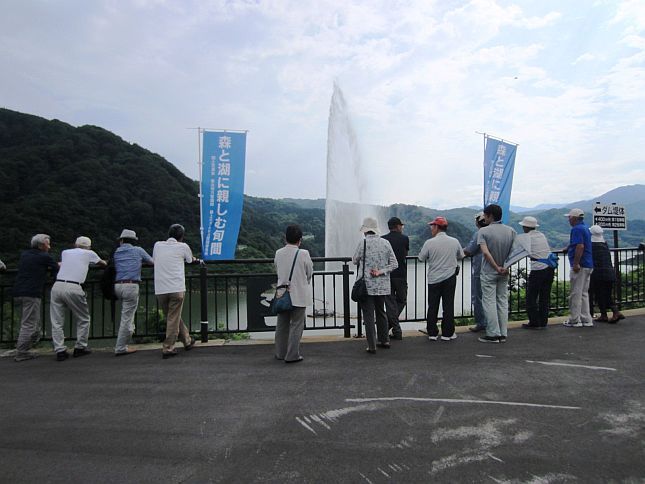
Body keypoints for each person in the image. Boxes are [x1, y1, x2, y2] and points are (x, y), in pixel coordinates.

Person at [50, 236, 107, 361]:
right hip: (74, 287)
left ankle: (60, 350)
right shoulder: (89, 253)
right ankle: (80, 347)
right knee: (83, 318)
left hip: (57, 286)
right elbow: (102, 264)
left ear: (75, 244)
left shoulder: (65, 252)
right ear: (89, 247)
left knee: (57, 321)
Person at [352, 217, 398, 354]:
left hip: (367, 286)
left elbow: (355, 260)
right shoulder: (386, 243)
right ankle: (384, 340)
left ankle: (372, 346)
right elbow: (395, 264)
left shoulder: (363, 243)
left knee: (368, 315)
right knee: (381, 312)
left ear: (365, 231)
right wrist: (380, 272)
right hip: (382, 285)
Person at [153, 224, 199, 359]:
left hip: (160, 289)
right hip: (176, 288)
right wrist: (197, 260)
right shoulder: (183, 246)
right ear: (182, 236)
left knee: (172, 317)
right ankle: (168, 348)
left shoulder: (157, 245)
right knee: (173, 317)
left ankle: (187, 340)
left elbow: (155, 259)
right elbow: (190, 260)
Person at [12, 234, 59, 362]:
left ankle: (26, 347)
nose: (49, 246)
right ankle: (21, 352)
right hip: (31, 293)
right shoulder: (44, 256)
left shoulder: (25, 254)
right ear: (41, 245)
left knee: (32, 322)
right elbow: (56, 268)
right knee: (28, 324)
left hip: (18, 291)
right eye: (48, 244)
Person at [418, 216, 465, 341]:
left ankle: (432, 333)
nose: (431, 229)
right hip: (450, 277)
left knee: (433, 306)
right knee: (448, 306)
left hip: (433, 279)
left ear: (437, 227)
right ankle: (447, 333)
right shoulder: (454, 241)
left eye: (432, 226)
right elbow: (461, 255)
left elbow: (421, 258)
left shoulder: (429, 242)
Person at [273, 224, 314, 363]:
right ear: (300, 239)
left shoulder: (278, 253)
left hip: (282, 293)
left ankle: (280, 353)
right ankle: (292, 355)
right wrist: (303, 281)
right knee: (297, 325)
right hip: (299, 294)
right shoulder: (304, 253)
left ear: (285, 238)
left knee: (282, 325)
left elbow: (277, 270)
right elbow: (309, 272)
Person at [477, 204, 516, 343]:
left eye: (485, 215)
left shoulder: (484, 232)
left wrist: (496, 267)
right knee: (502, 301)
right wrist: (505, 267)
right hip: (504, 272)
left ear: (490, 216)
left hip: (489, 271)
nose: (484, 218)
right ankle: (503, 333)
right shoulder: (511, 231)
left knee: (489, 302)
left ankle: (493, 334)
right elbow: (514, 253)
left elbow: (485, 253)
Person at [113, 229, 153, 356]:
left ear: (122, 240)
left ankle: (128, 335)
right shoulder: (138, 250)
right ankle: (120, 347)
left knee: (126, 316)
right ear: (133, 241)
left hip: (117, 286)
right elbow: (152, 262)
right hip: (131, 286)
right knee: (127, 318)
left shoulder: (117, 252)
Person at [519, 216, 555, 330]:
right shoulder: (541, 235)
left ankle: (534, 322)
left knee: (531, 296)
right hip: (549, 267)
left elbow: (521, 251)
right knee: (544, 296)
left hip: (538, 269)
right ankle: (543, 322)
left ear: (525, 227)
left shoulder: (527, 237)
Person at [563, 208, 594, 328]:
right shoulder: (585, 228)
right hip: (588, 264)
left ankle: (574, 319)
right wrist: (569, 247)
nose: (568, 220)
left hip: (580, 266)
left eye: (569, 217)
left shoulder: (576, 229)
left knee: (576, 293)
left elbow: (580, 246)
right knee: (584, 293)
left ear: (575, 218)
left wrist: (576, 263)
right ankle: (586, 319)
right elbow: (579, 244)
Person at [588, 225, 624, 323]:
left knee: (602, 294)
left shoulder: (591, 245)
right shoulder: (604, 243)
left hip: (599, 273)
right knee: (604, 294)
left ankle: (615, 312)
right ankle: (604, 315)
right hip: (609, 272)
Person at [381, 217, 409, 340]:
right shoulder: (405, 238)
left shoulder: (383, 240)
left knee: (390, 302)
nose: (402, 227)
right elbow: (406, 254)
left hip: (387, 275)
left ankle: (387, 327)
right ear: (397, 226)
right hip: (401, 275)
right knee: (402, 301)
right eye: (401, 225)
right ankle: (395, 330)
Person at [463, 212, 488, 333]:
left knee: (477, 297)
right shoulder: (492, 232)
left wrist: (458, 251)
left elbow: (469, 250)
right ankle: (492, 322)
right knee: (491, 297)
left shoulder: (479, 233)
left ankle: (481, 323)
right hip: (493, 269)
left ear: (478, 222)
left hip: (480, 269)